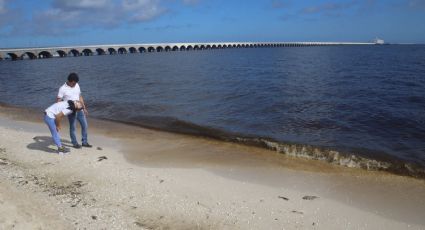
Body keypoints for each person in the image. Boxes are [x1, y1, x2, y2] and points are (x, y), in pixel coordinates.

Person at [57, 72, 92, 148]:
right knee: (73, 127)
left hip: (80, 109)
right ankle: (74, 143)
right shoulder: (62, 88)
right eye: (73, 83)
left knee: (85, 125)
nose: (75, 84)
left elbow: (80, 96)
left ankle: (84, 142)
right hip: (70, 111)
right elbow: (58, 101)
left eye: (76, 83)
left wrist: (84, 108)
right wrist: (59, 113)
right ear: (69, 81)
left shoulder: (77, 85)